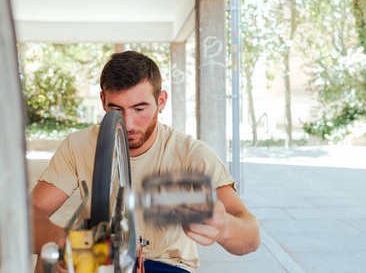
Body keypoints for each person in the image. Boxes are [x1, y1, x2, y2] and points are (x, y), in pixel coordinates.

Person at [31, 50, 260, 273]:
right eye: (116, 109)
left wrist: (224, 228)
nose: (128, 123)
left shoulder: (192, 154)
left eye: (139, 108)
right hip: (100, 253)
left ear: (161, 101)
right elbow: (28, 213)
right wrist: (59, 239)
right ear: (102, 100)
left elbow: (251, 237)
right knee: (48, 257)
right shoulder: (78, 145)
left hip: (166, 262)